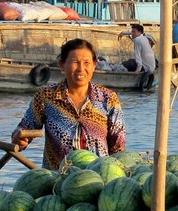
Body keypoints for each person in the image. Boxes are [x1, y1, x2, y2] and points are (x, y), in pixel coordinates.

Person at [13, 39, 126, 170]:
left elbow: (118, 145)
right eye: (75, 62)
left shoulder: (108, 98)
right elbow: (25, 128)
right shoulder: (46, 96)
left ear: (94, 65)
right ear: (62, 64)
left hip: (98, 180)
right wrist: (19, 139)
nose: (81, 69)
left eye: (87, 63)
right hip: (57, 181)